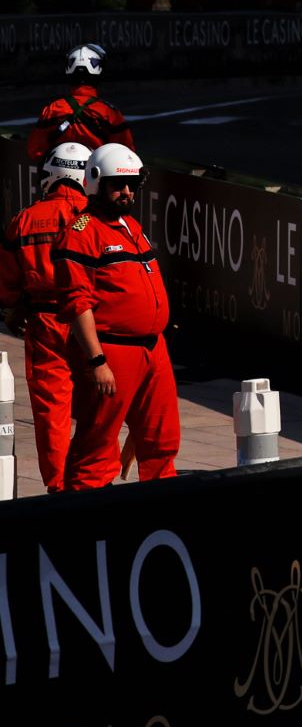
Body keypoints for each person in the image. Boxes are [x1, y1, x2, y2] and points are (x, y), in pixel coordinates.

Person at [55, 143, 179, 489]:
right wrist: (97, 361)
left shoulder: (131, 227)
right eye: (117, 185)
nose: (126, 193)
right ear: (96, 183)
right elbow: (77, 303)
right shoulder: (81, 234)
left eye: (132, 186)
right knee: (96, 446)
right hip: (112, 352)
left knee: (161, 440)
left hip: (153, 351)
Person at [0, 142, 94, 491]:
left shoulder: (24, 220)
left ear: (52, 177)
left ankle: (58, 488)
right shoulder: (99, 218)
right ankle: (95, 481)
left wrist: (17, 306)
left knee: (51, 413)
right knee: (98, 408)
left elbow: (6, 288)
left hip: (44, 324)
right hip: (92, 324)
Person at [25, 45, 135, 163]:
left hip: (58, 179)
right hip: (96, 179)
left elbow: (35, 150)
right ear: (100, 73)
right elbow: (126, 155)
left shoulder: (52, 109)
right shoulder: (109, 113)